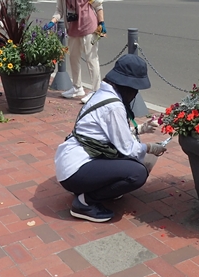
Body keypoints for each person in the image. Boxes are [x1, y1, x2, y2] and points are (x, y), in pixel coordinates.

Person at [54, 54, 167, 222]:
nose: (135, 93)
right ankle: (85, 202)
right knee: (137, 172)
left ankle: (94, 188)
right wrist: (151, 148)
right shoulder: (113, 105)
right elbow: (128, 149)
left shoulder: (103, 93)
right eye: (135, 89)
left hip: (72, 163)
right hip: (75, 170)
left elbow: (112, 133)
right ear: (127, 85)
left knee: (134, 161)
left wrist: (140, 129)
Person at [45, 0, 105, 104]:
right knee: (73, 59)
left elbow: (98, 4)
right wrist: (52, 21)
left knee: (92, 59)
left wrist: (102, 22)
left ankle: (96, 91)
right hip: (72, 28)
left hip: (89, 26)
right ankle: (77, 87)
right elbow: (59, 10)